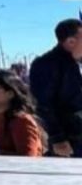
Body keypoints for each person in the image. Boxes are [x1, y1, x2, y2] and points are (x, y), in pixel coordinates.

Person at [30, 18, 82, 157]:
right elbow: (42, 104)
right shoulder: (47, 64)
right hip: (71, 140)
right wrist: (57, 137)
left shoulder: (77, 63)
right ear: (71, 42)